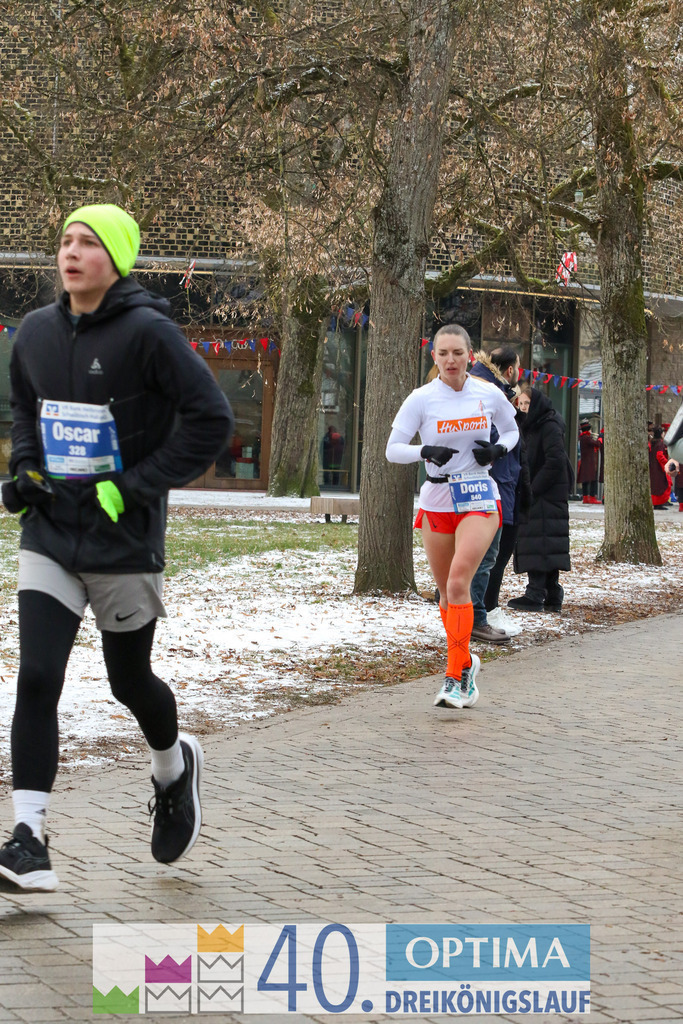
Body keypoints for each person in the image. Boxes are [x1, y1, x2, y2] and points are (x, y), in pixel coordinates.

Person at [0, 204, 234, 892]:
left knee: (128, 682)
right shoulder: (36, 332)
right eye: (66, 241)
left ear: (118, 258)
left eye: (89, 243)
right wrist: (24, 473)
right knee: (37, 678)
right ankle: (28, 840)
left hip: (122, 537)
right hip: (51, 533)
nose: (71, 253)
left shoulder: (150, 332)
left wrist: (136, 486)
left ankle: (172, 768)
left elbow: (210, 419)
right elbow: (26, 409)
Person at [386, 323, 519, 709]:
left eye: (457, 353)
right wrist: (424, 451)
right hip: (437, 497)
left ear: (469, 355)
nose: (450, 360)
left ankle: (454, 677)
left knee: (460, 582)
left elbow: (512, 432)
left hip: (479, 493)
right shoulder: (421, 399)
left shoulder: (489, 393)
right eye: (443, 353)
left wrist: (496, 452)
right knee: (446, 595)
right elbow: (393, 449)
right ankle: (467, 663)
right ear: (434, 357)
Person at [468, 345, 524, 641]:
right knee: (485, 555)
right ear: (511, 369)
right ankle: (476, 617)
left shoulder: (488, 388)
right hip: (488, 483)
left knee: (482, 555)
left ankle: (473, 616)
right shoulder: (488, 391)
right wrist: (496, 450)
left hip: (492, 480)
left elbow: (508, 435)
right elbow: (488, 436)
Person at [508, 387, 571, 612]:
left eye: (526, 404)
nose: (523, 408)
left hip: (546, 493)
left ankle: (536, 593)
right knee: (544, 542)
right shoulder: (530, 425)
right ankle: (552, 592)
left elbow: (554, 461)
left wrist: (532, 490)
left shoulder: (548, 425)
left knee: (540, 541)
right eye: (520, 404)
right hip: (541, 492)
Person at [577, 419, 602, 503]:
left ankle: (585, 497)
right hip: (589, 462)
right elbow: (597, 444)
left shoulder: (583, 437)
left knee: (586, 480)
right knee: (592, 480)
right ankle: (591, 497)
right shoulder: (586, 438)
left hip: (586, 462)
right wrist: (600, 439)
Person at [649, 426, 671, 508]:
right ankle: (658, 503)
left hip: (653, 466)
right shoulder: (660, 443)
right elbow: (659, 455)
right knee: (661, 485)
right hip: (659, 468)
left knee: (655, 485)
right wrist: (667, 463)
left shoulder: (653, 442)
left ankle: (656, 503)